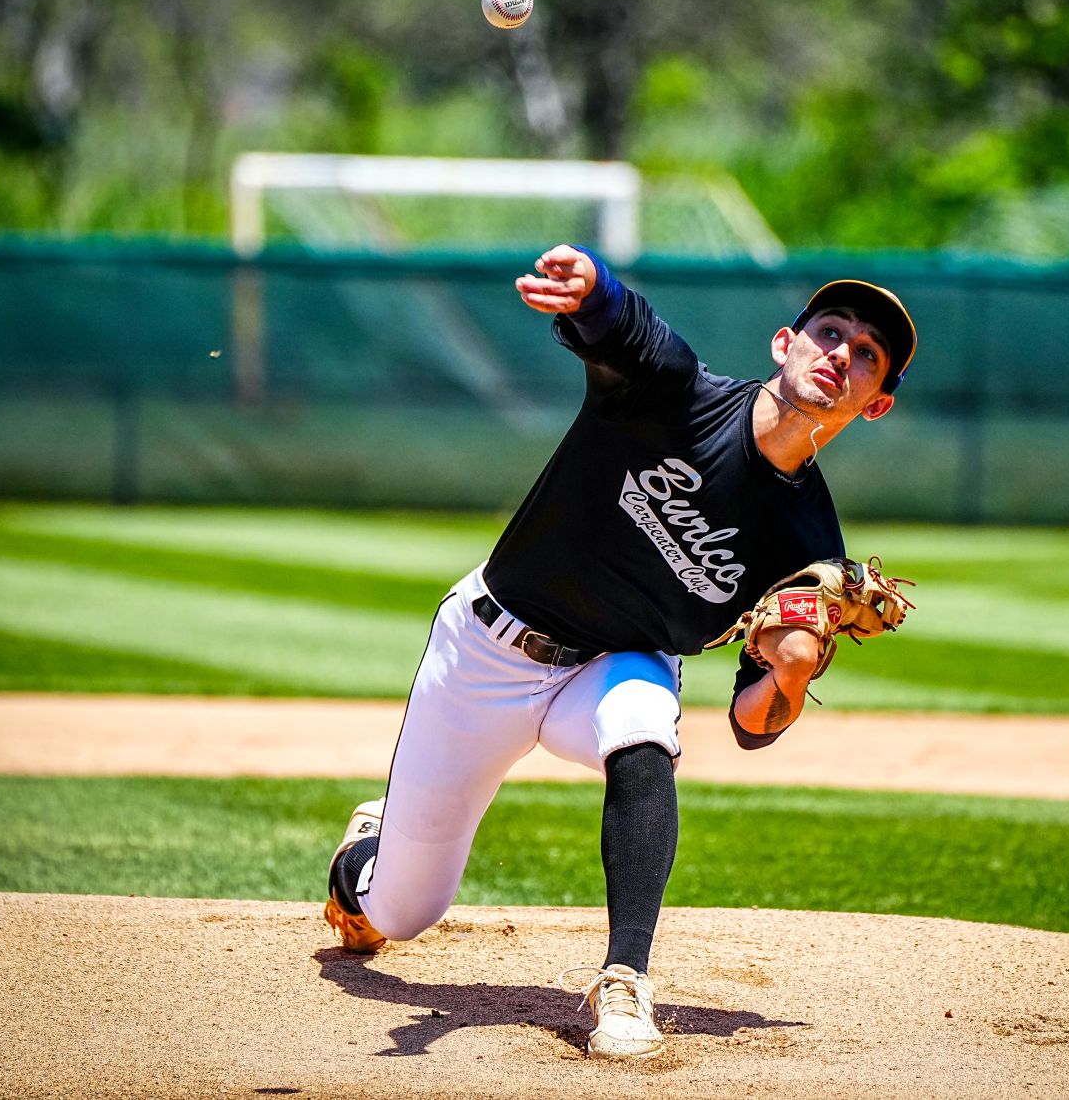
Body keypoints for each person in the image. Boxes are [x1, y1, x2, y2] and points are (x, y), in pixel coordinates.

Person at [323, 243, 916, 1060]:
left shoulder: (808, 542)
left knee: (645, 721)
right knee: (399, 914)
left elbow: (752, 724)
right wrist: (592, 286)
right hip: (489, 649)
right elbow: (628, 329)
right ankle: (365, 852)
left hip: (609, 668)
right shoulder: (674, 392)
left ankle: (625, 979)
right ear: (787, 343)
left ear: (874, 403)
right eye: (830, 331)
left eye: (867, 355)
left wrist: (789, 670)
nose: (841, 353)